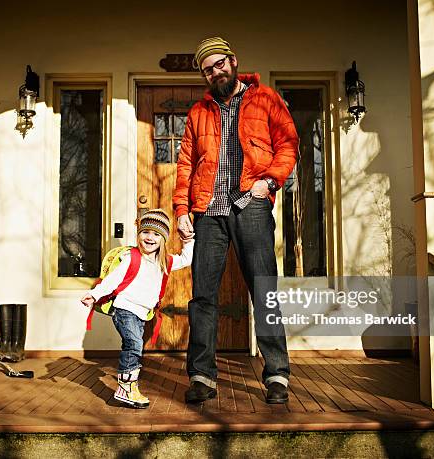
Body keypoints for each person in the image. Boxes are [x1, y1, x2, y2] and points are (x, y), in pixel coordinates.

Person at [174, 37, 299, 404]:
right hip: (209, 212)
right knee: (203, 298)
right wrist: (182, 211)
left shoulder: (266, 99)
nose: (215, 72)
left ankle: (277, 374)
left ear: (232, 61)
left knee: (264, 291)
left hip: (252, 206)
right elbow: (185, 164)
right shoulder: (199, 111)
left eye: (218, 64)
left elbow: (288, 144)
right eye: (207, 69)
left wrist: (269, 181)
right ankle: (202, 376)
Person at [80, 209, 194, 408]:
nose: (150, 237)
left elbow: (186, 259)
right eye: (146, 232)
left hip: (142, 314)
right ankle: (125, 389)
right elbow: (112, 280)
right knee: (133, 345)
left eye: (156, 234)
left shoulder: (164, 262)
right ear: (139, 234)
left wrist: (187, 241)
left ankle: (129, 387)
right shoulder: (131, 257)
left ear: (163, 239)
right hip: (125, 309)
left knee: (134, 348)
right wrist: (95, 294)